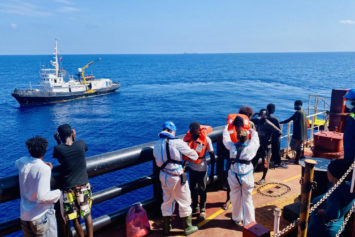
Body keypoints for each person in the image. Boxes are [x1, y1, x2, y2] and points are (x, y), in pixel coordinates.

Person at [153, 121, 199, 236]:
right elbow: (194, 155)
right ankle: (188, 227)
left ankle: (167, 227)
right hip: (176, 176)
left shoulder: (157, 144)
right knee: (184, 200)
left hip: (163, 175)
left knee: (167, 200)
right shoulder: (176, 142)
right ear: (172, 131)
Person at [53, 124, 93, 237]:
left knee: (75, 220)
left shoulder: (58, 148)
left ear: (60, 136)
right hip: (83, 186)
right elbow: (79, 149)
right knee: (87, 216)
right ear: (72, 133)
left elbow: (62, 154)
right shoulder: (81, 144)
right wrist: (74, 137)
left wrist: (58, 141)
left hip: (68, 189)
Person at [16, 136, 61, 237]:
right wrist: (58, 192)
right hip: (40, 217)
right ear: (44, 151)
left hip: (25, 216)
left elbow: (17, 163)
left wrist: (41, 163)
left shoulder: (22, 162)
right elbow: (42, 196)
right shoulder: (44, 169)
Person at [223, 116, 260, 226]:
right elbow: (256, 140)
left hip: (234, 175)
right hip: (246, 176)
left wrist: (227, 127)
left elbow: (226, 139)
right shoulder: (250, 148)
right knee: (247, 200)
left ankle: (236, 218)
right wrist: (251, 130)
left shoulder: (232, 147)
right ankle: (249, 222)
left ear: (237, 137)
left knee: (235, 197)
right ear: (246, 138)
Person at [307, 159, 355, 237]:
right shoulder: (349, 187)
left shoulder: (334, 193)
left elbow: (333, 214)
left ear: (335, 178)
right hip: (338, 228)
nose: (326, 172)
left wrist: (320, 211)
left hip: (322, 231)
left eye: (328, 172)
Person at [183, 122, 215, 220]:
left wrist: (213, 171)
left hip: (202, 169)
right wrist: (183, 166)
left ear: (198, 130)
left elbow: (212, 155)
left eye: (193, 131)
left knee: (202, 189)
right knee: (193, 189)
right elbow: (185, 155)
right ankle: (195, 206)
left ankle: (202, 209)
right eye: (190, 131)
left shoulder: (206, 139)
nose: (191, 133)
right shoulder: (188, 139)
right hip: (192, 169)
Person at [252, 109, 282, 185]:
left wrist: (271, 141)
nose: (262, 116)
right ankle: (251, 176)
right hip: (258, 145)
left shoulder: (268, 123)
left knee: (265, 163)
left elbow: (279, 132)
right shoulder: (257, 121)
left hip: (266, 147)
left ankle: (263, 178)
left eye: (264, 114)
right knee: (254, 161)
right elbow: (250, 120)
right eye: (261, 114)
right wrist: (254, 114)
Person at [280, 100, 308, 165]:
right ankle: (298, 159)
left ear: (297, 105)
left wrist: (280, 122)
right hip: (303, 133)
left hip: (297, 134)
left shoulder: (297, 113)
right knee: (300, 146)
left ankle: (297, 160)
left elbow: (289, 120)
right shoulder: (303, 112)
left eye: (295, 105)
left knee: (294, 146)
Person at [267, 104, 288, 169]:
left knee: (268, 150)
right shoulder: (274, 119)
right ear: (273, 110)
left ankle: (270, 161)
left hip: (267, 137)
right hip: (275, 137)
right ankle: (277, 163)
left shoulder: (265, 118)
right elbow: (279, 130)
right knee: (276, 150)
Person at [343, 89, 355, 164]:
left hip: (351, 150)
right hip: (348, 148)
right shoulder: (352, 113)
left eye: (347, 99)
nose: (346, 101)